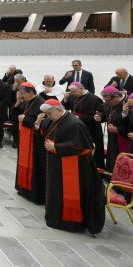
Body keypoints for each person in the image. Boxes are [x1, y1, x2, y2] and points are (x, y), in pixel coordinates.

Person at [40, 99, 104, 234]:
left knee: (68, 192)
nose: (49, 117)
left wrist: (56, 147)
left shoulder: (74, 124)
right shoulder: (58, 119)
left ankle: (70, 222)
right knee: (57, 190)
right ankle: (56, 215)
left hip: (74, 166)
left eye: (50, 114)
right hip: (59, 162)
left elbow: (81, 147)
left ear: (58, 109)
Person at [15, 82, 46, 204]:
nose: (22, 96)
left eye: (23, 94)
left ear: (32, 92)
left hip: (36, 141)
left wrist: (25, 119)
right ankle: (23, 188)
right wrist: (18, 101)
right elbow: (15, 115)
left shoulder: (41, 104)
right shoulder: (27, 101)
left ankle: (34, 193)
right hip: (25, 138)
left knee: (35, 166)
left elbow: (41, 124)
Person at [62, 82, 105, 169]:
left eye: (74, 91)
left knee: (94, 153)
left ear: (81, 88)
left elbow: (100, 117)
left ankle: (96, 172)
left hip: (92, 130)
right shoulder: (73, 96)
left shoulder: (95, 99)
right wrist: (65, 99)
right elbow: (65, 107)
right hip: (77, 129)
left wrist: (79, 117)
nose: (73, 94)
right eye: (71, 92)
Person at [97, 86, 129, 173]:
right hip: (112, 137)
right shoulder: (109, 104)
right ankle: (110, 177)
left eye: (108, 100)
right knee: (111, 158)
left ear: (117, 97)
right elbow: (106, 115)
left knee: (121, 160)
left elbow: (132, 126)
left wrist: (117, 129)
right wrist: (100, 118)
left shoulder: (127, 105)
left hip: (124, 139)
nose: (107, 103)